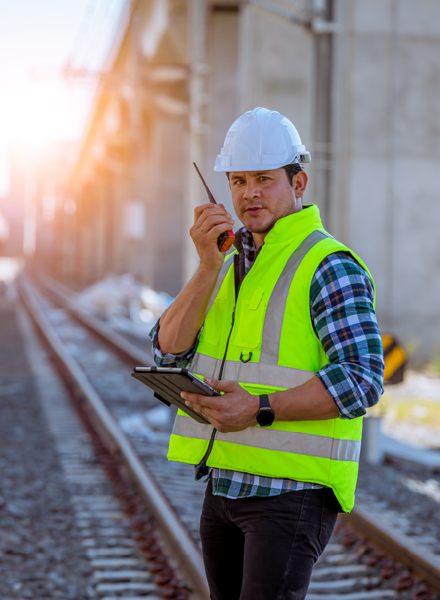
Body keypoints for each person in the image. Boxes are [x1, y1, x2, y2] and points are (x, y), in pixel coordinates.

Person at [151, 107, 384, 600]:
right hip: (225, 487)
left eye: (263, 179)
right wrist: (207, 267)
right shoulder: (224, 262)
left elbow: (362, 379)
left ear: (298, 183)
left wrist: (257, 408)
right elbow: (167, 350)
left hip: (290, 495)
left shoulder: (326, 264)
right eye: (237, 181)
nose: (248, 194)